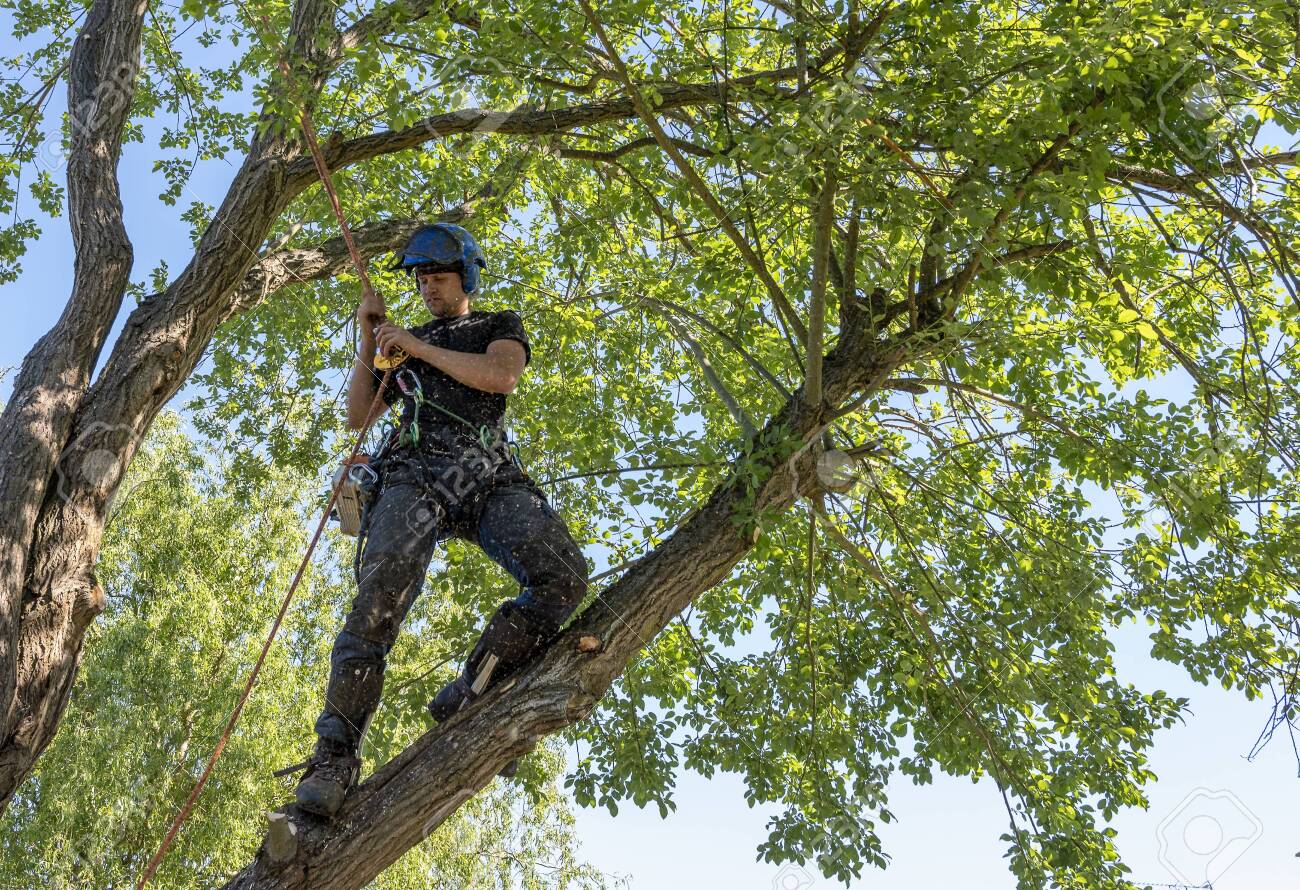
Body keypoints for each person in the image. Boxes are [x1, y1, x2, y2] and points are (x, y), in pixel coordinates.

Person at [294, 222, 589, 818]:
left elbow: (501, 376)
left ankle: (471, 687)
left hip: (488, 474)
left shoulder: (494, 324)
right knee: (378, 597)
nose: (428, 288)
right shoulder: (398, 345)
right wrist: (369, 340)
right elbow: (358, 416)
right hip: (414, 475)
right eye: (422, 280)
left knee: (564, 576)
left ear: (466, 277)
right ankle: (335, 754)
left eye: (438, 278)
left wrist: (418, 348)